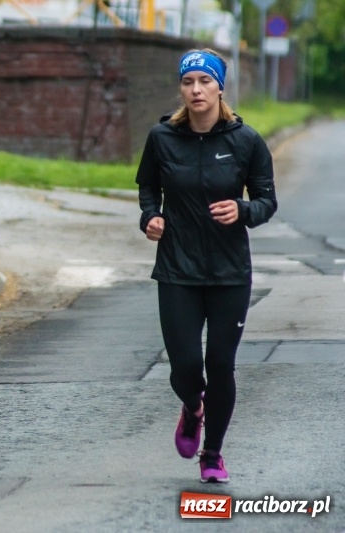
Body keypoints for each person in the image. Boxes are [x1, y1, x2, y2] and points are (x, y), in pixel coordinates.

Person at [135, 48, 277, 483]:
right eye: (188, 82)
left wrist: (243, 210)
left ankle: (212, 454)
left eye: (204, 81)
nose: (196, 90)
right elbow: (147, 190)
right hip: (177, 268)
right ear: (181, 88)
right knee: (184, 368)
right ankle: (193, 407)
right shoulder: (162, 138)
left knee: (220, 364)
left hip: (229, 271)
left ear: (220, 87)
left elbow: (267, 200)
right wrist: (150, 218)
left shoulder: (245, 140)